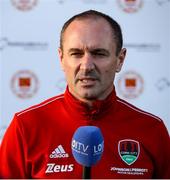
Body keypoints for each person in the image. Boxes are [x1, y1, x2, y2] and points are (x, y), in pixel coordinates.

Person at [0, 10, 170, 179]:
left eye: (99, 53)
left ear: (120, 59)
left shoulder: (152, 130)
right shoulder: (25, 127)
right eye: (76, 53)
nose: (86, 65)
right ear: (61, 58)